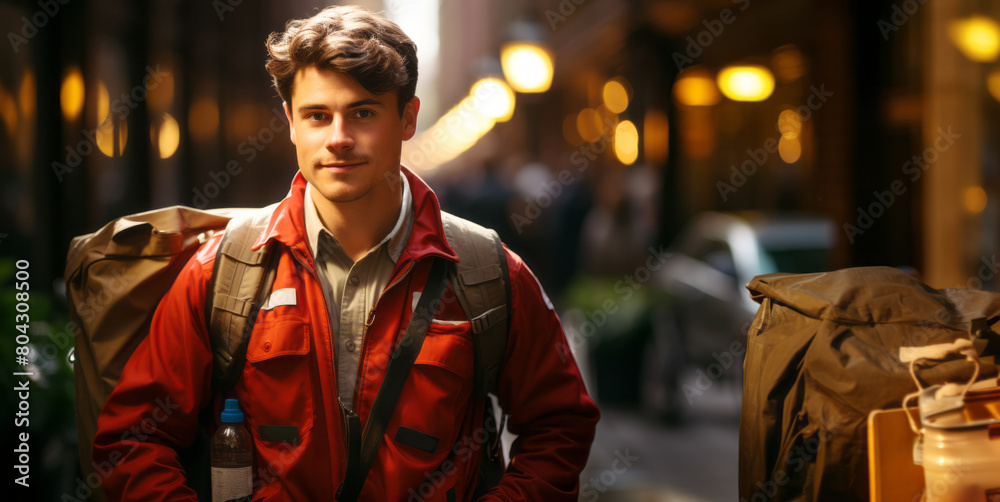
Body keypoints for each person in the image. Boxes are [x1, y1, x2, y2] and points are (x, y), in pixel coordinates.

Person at [92, 5, 599, 501]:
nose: (338, 138)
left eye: (362, 112)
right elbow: (133, 439)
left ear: (407, 118)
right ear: (290, 122)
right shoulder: (225, 272)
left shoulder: (487, 272)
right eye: (317, 115)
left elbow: (560, 425)